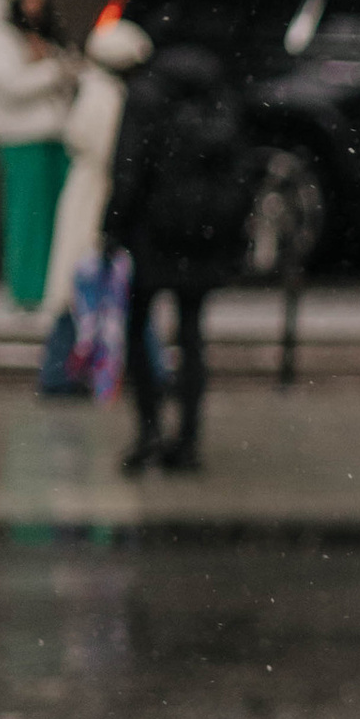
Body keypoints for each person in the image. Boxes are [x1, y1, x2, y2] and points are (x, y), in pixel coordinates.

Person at [101, 43, 258, 475]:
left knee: (138, 329)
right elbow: (240, 170)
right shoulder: (219, 96)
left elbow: (127, 169)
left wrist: (111, 227)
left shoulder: (145, 96)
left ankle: (148, 432)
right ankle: (188, 441)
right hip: (203, 236)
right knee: (191, 335)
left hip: (152, 232)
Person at [39, 10, 154, 377]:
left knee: (86, 290)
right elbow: (112, 153)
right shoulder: (107, 99)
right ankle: (66, 373)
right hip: (95, 200)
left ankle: (66, 373)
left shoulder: (96, 92)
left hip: (89, 198)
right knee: (93, 288)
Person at [0, 0, 75, 319]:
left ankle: (49, 286)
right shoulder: (1, 35)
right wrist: (54, 72)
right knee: (27, 218)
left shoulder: (39, 35)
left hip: (53, 137)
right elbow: (10, 84)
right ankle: (27, 290)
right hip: (21, 138)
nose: (35, 7)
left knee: (53, 219)